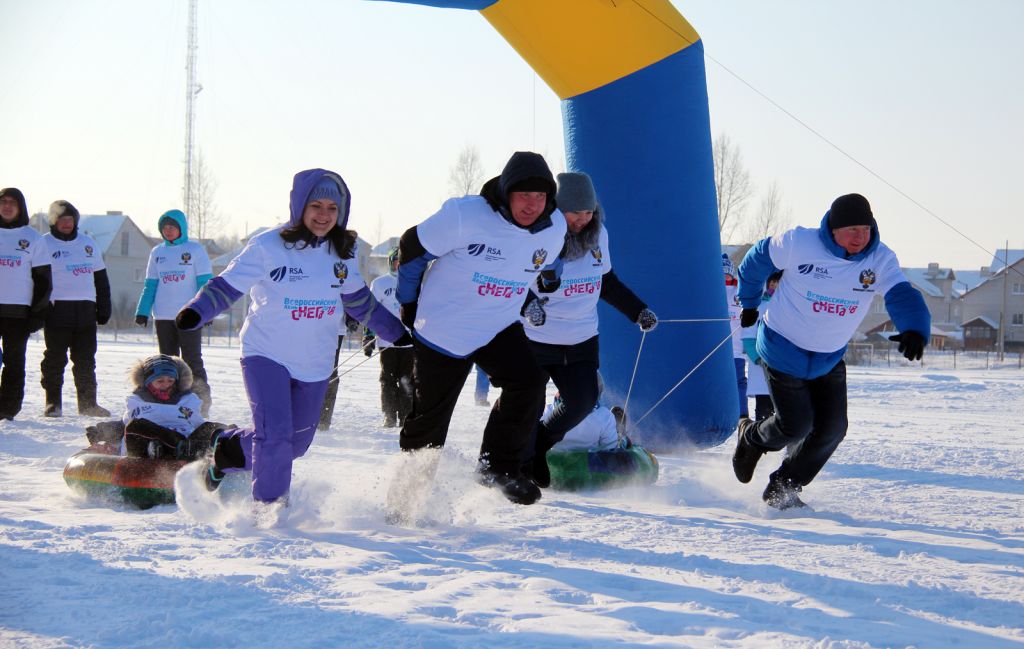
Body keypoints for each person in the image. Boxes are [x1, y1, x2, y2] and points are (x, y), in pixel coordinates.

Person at [176, 168, 410, 505]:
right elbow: (227, 286)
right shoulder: (268, 246)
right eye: (316, 205)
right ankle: (270, 513)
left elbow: (359, 301)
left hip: (315, 361)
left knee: (295, 445)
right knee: (274, 439)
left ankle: (227, 450)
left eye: (332, 208)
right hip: (266, 353)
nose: (324, 215)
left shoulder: (342, 251)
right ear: (300, 206)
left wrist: (395, 332)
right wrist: (198, 311)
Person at [732, 193, 930, 509]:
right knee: (794, 425)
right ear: (833, 229)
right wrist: (751, 301)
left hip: (828, 357)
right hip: (783, 348)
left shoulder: (879, 258)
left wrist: (915, 328)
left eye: (865, 229)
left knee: (832, 430)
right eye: (852, 229)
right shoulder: (799, 242)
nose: (859, 237)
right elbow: (757, 260)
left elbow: (901, 293)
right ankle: (752, 438)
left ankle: (782, 489)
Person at [391, 151, 567, 507]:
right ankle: (405, 501)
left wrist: (548, 280)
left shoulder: (555, 226)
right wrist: (409, 302)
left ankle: (497, 467)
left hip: (496, 325)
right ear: (505, 193)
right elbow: (411, 246)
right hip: (443, 331)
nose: (532, 205)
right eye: (523, 196)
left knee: (529, 382)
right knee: (430, 423)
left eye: (540, 197)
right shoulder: (465, 215)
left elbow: (551, 259)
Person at [519, 172, 657, 488]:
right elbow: (514, 280)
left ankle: (539, 445)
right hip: (536, 339)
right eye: (575, 212)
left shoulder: (599, 236)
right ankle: (516, 463)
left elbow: (605, 281)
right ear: (557, 209)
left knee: (582, 402)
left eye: (588, 212)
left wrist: (638, 311)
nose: (583, 219)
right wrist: (529, 305)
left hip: (581, 338)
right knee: (527, 404)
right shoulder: (537, 236)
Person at [134, 209, 213, 415]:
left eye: (172, 227)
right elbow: (150, 285)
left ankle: (201, 402)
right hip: (162, 316)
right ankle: (168, 400)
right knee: (166, 363)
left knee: (192, 359)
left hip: (189, 315)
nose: (168, 231)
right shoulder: (157, 253)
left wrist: (207, 311)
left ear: (181, 228)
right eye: (164, 228)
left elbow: (204, 284)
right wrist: (142, 311)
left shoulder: (195, 250)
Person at [39, 200, 112, 417]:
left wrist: (104, 306)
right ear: (53, 221)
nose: (66, 223)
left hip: (86, 311)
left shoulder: (88, 243)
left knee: (86, 360)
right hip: (56, 310)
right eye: (61, 219)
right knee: (55, 359)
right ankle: (53, 403)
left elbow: (101, 278)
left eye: (70, 219)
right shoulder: (44, 244)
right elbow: (37, 280)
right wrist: (39, 308)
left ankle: (88, 404)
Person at [0, 187, 52, 420]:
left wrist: (37, 313)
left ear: (20, 207)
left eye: (13, 202)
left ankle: (7, 409)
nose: (7, 206)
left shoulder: (33, 238)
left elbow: (43, 280)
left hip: (18, 312)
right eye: (3, 201)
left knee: (14, 362)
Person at [120, 354, 218, 460]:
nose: (166, 385)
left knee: (213, 428)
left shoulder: (188, 400)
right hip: (149, 447)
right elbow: (124, 424)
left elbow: (198, 424)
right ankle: (163, 451)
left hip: (185, 442)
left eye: (170, 381)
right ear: (148, 383)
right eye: (160, 381)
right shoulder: (136, 401)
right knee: (135, 426)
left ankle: (223, 454)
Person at [369, 246, 414, 428]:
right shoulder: (380, 283)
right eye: (396, 262)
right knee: (388, 379)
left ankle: (405, 415)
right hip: (386, 339)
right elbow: (370, 311)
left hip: (409, 342)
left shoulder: (415, 283)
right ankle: (389, 415)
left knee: (407, 379)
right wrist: (367, 337)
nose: (399, 266)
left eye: (403, 263)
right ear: (391, 263)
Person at [744, 271, 781, 421]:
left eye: (777, 282)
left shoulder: (791, 307)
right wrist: (758, 359)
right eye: (771, 282)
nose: (773, 285)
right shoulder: (757, 307)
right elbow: (748, 337)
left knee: (783, 410)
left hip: (784, 366)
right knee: (764, 410)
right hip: (762, 366)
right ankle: (763, 441)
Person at [723, 253, 750, 420]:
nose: (725, 276)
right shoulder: (712, 289)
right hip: (716, 349)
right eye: (722, 272)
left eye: (727, 272)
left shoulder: (738, 291)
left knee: (739, 382)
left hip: (736, 347)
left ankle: (743, 414)